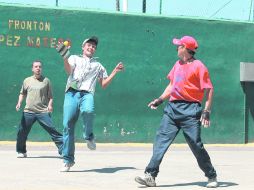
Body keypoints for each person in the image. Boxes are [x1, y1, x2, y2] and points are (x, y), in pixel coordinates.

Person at [135, 36, 218, 188]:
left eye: (179, 45)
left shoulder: (199, 66)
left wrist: (206, 110)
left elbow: (209, 88)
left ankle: (211, 175)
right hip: (172, 109)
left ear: (186, 48)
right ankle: (150, 175)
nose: (176, 47)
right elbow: (172, 85)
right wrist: (160, 99)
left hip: (191, 111)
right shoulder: (177, 64)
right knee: (160, 142)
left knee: (196, 145)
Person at [56, 36, 124, 172]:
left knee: (88, 111)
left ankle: (88, 136)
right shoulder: (74, 58)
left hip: (87, 94)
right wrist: (64, 56)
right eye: (89, 45)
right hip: (71, 93)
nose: (91, 47)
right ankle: (68, 160)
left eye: (93, 46)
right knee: (67, 125)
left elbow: (103, 84)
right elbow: (69, 71)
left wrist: (115, 71)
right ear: (83, 47)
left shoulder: (98, 65)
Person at [16, 60, 63, 158]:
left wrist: (50, 105)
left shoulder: (46, 81)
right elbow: (22, 93)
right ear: (32, 69)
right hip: (28, 111)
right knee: (22, 132)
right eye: (36, 67)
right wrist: (19, 102)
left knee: (53, 130)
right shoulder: (27, 80)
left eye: (40, 67)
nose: (38, 68)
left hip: (43, 112)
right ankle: (21, 151)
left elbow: (50, 96)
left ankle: (64, 150)